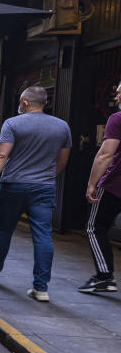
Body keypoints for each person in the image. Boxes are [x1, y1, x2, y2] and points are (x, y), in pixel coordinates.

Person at [0, 86, 72, 302]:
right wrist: (47, 176)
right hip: (44, 187)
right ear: (45, 103)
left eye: (21, 102)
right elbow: (63, 161)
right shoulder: (62, 127)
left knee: (4, 231)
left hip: (14, 186)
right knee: (42, 235)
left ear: (25, 103)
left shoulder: (12, 123)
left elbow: (1, 155)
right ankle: (41, 288)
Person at [80, 81, 121, 294]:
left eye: (120, 94)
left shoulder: (117, 118)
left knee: (94, 227)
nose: (116, 98)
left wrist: (92, 184)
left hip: (115, 185)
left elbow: (105, 154)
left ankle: (104, 277)